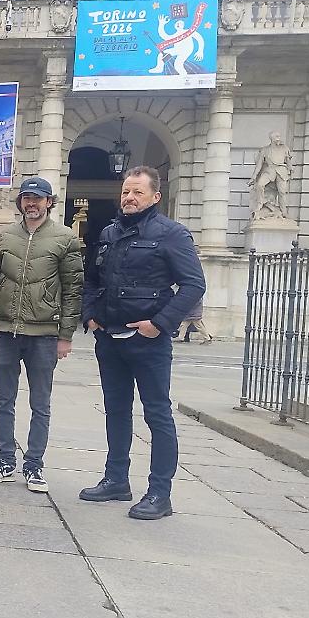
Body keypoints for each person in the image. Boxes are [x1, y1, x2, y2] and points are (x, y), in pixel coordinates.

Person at [80, 165, 206, 520]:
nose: (129, 198)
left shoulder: (172, 234)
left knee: (157, 414)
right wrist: (89, 314)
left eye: (137, 192)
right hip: (109, 337)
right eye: (125, 192)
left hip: (148, 341)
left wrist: (160, 324)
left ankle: (159, 493)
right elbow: (92, 280)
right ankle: (116, 479)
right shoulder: (108, 232)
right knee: (116, 410)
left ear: (155, 196)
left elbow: (194, 284)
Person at [0, 177, 83, 494]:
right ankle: (5, 460)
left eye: (37, 198)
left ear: (49, 202)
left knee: (40, 403)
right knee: (3, 400)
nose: (31, 204)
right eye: (26, 198)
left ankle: (34, 465)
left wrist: (66, 335)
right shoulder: (7, 236)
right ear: (20, 203)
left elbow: (73, 290)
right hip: (6, 328)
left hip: (44, 333)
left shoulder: (65, 239)